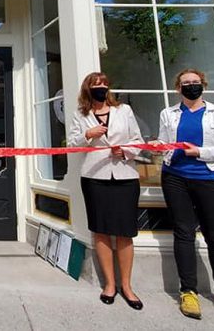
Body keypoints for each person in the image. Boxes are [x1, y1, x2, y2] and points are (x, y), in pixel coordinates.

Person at [155, 68, 214, 321]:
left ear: (203, 85)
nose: (191, 86)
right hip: (175, 178)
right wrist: (157, 146)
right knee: (183, 233)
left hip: (210, 179)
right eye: (186, 83)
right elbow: (165, 144)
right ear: (178, 88)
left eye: (195, 82)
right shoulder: (169, 114)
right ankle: (188, 291)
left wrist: (201, 153)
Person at [69, 72, 145, 310]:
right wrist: (87, 136)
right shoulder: (80, 115)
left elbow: (138, 140)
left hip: (124, 175)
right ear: (87, 89)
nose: (100, 87)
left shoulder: (124, 111)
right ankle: (109, 285)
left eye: (104, 84)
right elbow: (71, 144)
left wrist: (125, 152)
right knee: (101, 231)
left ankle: (127, 286)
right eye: (95, 85)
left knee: (124, 232)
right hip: (95, 177)